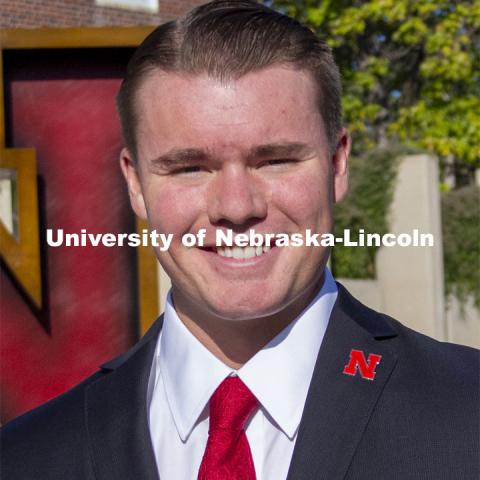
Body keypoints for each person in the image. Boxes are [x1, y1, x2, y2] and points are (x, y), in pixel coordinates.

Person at [1, 1, 478, 479]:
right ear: (135, 185)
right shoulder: (25, 458)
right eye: (189, 168)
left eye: (275, 160)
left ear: (337, 165)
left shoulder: (467, 415)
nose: (236, 206)